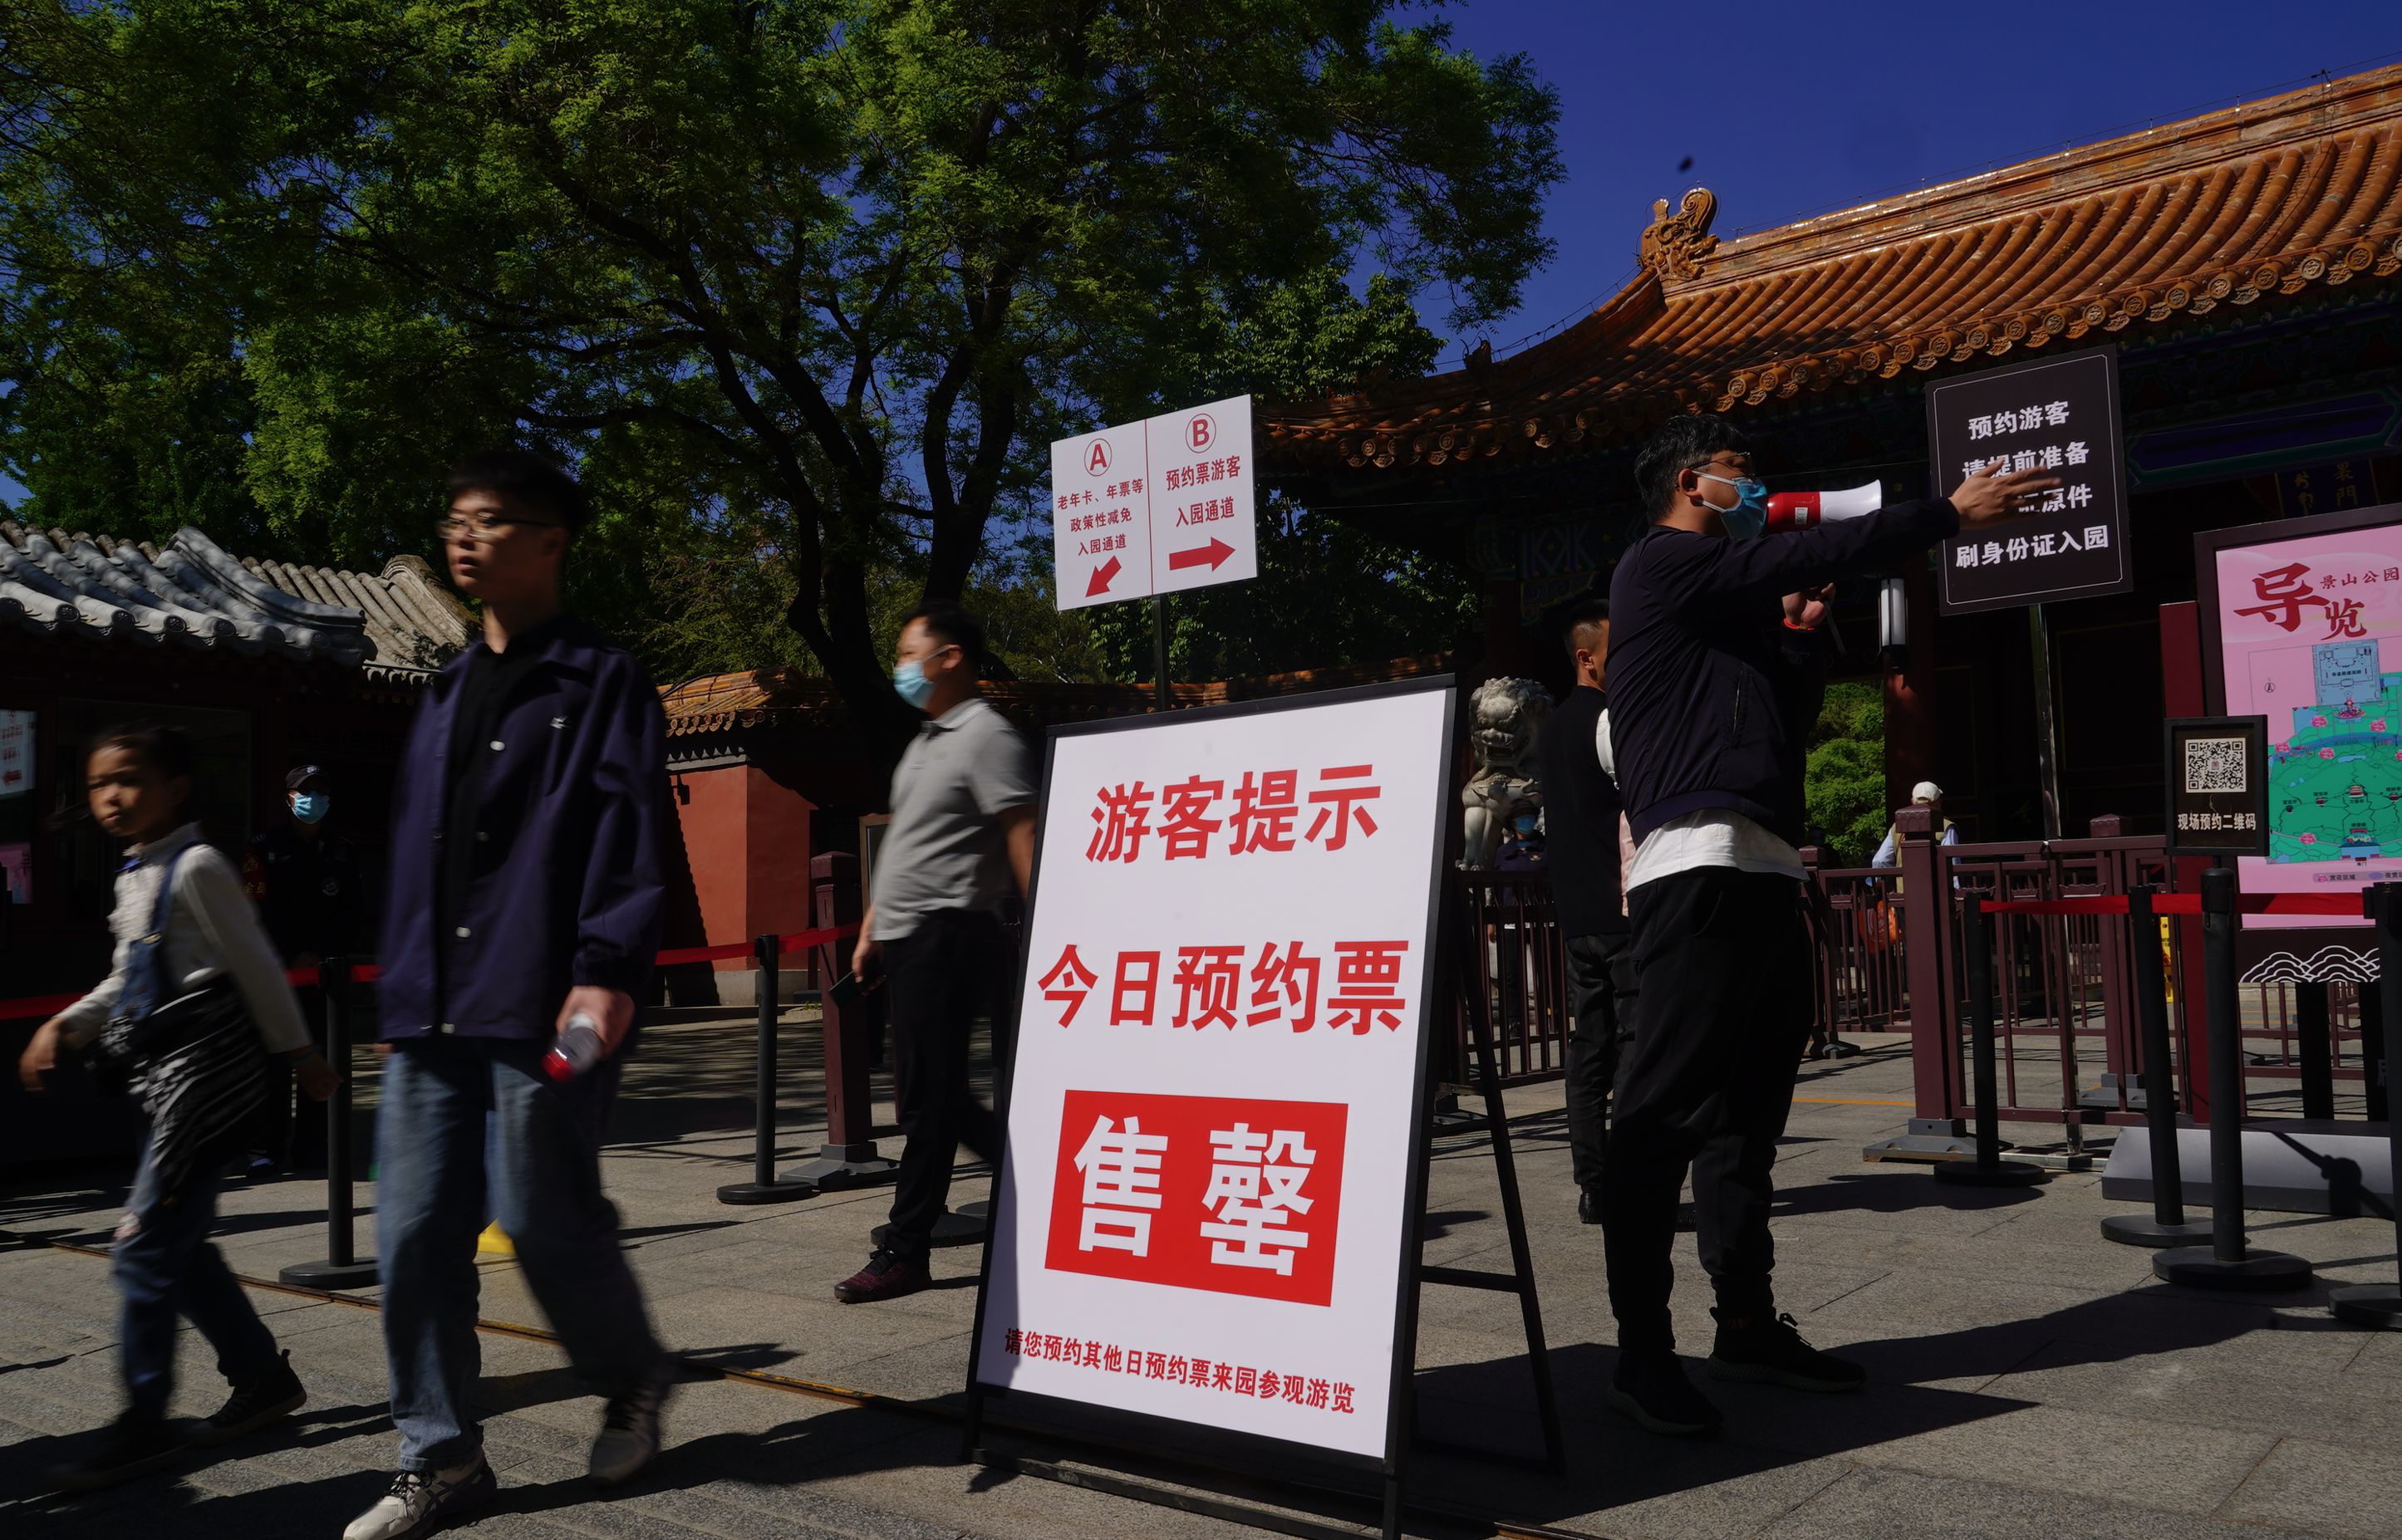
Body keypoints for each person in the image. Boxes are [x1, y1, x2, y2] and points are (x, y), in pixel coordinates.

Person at [1599, 414, 2054, 1436]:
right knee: (1659, 1116)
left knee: (1746, 1119)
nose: (1756, 489)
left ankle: (1744, 1325)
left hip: (1763, 864)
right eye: (1739, 472)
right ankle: (1639, 1353)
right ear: (1690, 483)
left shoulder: (1725, 611)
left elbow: (1780, 720)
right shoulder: (1657, 565)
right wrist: (1943, 514)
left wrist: (1800, 638)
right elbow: (1796, 551)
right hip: (1694, 867)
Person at [346, 450, 675, 1540]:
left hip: (540, 994)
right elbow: (413, 851)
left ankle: (631, 1379)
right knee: (412, 1235)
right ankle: (439, 1456)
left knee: (540, 1216)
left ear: (550, 541)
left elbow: (628, 829)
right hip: (431, 1005)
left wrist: (606, 969)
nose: (465, 535)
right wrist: (398, 993)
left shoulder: (600, 677)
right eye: (456, 518)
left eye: (490, 519)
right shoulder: (444, 687)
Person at [17, 724, 337, 1490]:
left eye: (128, 779)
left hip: (205, 1088)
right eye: (98, 784)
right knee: (181, 1245)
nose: (111, 797)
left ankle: (144, 1422)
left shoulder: (197, 866)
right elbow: (126, 977)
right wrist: (66, 1024)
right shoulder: (136, 874)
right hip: (164, 1086)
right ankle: (262, 1378)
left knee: (142, 1247)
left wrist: (303, 1056)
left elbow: (257, 965)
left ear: (176, 788)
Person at [835, 601, 1036, 1304]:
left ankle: (906, 1249)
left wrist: (1047, 931)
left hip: (953, 933)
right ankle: (1036, 1193)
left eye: (907, 653)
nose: (900, 667)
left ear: (949, 658)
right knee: (936, 1096)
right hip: (909, 936)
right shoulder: (925, 741)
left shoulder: (988, 736)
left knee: (928, 1100)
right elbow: (906, 844)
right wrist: (871, 928)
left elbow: (1023, 834)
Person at [242, 763, 368, 1174]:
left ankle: (314, 1149)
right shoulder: (263, 847)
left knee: (322, 1056)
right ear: (289, 797)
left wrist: (320, 952)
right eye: (305, 791)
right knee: (272, 1063)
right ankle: (265, 1151)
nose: (313, 799)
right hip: (274, 972)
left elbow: (353, 912)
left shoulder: (342, 851)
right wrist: (290, 954)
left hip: (324, 974)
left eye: (320, 792)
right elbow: (252, 909)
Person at [1871, 781, 1958, 867]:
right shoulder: (1946, 826)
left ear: (1912, 801)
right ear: (1939, 802)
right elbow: (1952, 863)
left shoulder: (1896, 826)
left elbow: (1880, 861)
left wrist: (1897, 875)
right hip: (1936, 877)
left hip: (1904, 877)